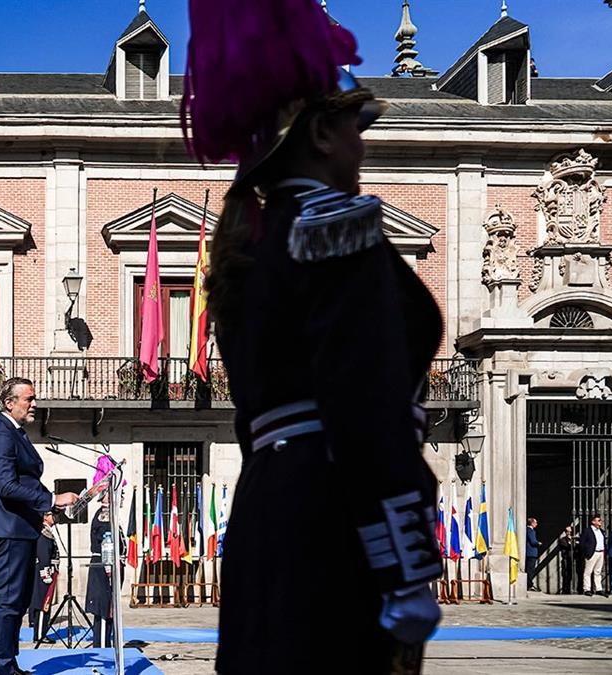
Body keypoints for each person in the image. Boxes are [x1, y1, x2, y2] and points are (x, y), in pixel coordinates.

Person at [182, 1, 441, 670]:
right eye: (357, 126)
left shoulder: (247, 248)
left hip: (267, 523)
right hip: (336, 528)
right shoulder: (338, 232)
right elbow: (367, 410)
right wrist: (405, 568)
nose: (363, 143)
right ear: (323, 133)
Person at [0, 377, 78, 675]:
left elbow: (25, 480)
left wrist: (46, 510)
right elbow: (7, 486)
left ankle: (9, 664)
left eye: (34, 398)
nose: (34, 404)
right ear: (9, 403)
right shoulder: (0, 434)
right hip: (9, 529)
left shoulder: (15, 432)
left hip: (23, 527)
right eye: (29, 399)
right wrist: (51, 498)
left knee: (20, 600)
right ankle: (1, 668)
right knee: (9, 600)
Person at [85, 488, 123, 649]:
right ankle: (101, 646)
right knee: (103, 608)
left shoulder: (111, 515)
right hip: (104, 565)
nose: (121, 497)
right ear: (107, 497)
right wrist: (109, 567)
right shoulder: (105, 516)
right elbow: (106, 544)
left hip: (109, 565)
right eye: (118, 494)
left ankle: (106, 643)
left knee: (110, 608)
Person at [28, 514, 60, 644]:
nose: (55, 517)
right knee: (42, 603)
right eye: (52, 514)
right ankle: (40, 634)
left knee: (45, 602)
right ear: (45, 517)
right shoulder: (43, 533)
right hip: (45, 572)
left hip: (50, 570)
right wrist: (45, 573)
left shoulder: (47, 532)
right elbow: (43, 555)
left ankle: (42, 632)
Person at [579, 515, 607, 597]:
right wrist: (586, 553)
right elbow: (582, 543)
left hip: (600, 553)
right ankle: (587, 589)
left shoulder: (601, 531)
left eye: (600, 520)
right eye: (598, 520)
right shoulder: (587, 531)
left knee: (598, 572)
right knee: (588, 572)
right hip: (592, 553)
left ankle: (598, 589)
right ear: (593, 521)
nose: (600, 522)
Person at [559, 525, 578, 595]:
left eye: (570, 532)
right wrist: (570, 542)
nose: (569, 533)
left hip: (573, 559)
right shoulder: (562, 540)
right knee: (566, 574)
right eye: (567, 531)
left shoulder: (574, 540)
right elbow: (566, 546)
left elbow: (576, 548)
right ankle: (565, 589)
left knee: (572, 574)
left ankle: (572, 589)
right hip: (566, 559)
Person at [526, 518, 541, 592]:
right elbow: (533, 541)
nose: (536, 524)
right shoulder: (530, 530)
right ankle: (529, 585)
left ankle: (529, 584)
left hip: (530, 553)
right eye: (535, 522)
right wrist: (538, 543)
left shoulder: (529, 530)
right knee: (530, 570)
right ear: (532, 523)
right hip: (531, 553)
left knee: (530, 569)